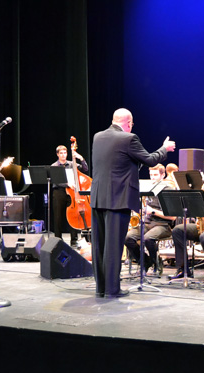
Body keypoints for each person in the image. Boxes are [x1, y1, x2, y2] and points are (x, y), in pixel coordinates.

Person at [91, 108, 175, 298]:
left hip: (97, 198)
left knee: (100, 246)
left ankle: (101, 288)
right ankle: (112, 290)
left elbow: (119, 162)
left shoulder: (98, 137)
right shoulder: (128, 139)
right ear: (128, 123)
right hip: (117, 200)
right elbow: (150, 159)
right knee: (113, 246)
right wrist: (164, 149)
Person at [124, 164, 175, 276]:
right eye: (151, 175)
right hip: (147, 223)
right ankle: (145, 261)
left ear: (162, 175)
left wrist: (152, 211)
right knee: (128, 238)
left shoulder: (168, 190)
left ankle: (156, 262)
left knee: (147, 238)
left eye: (155, 175)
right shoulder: (147, 188)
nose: (152, 178)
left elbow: (173, 216)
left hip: (162, 225)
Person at [51, 144, 89, 247]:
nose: (63, 155)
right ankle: (58, 239)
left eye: (65, 153)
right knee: (58, 216)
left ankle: (74, 239)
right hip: (59, 192)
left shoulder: (73, 164)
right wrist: (67, 184)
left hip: (72, 193)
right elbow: (55, 181)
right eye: (61, 153)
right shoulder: (54, 166)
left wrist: (80, 158)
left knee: (74, 214)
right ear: (58, 154)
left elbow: (85, 169)